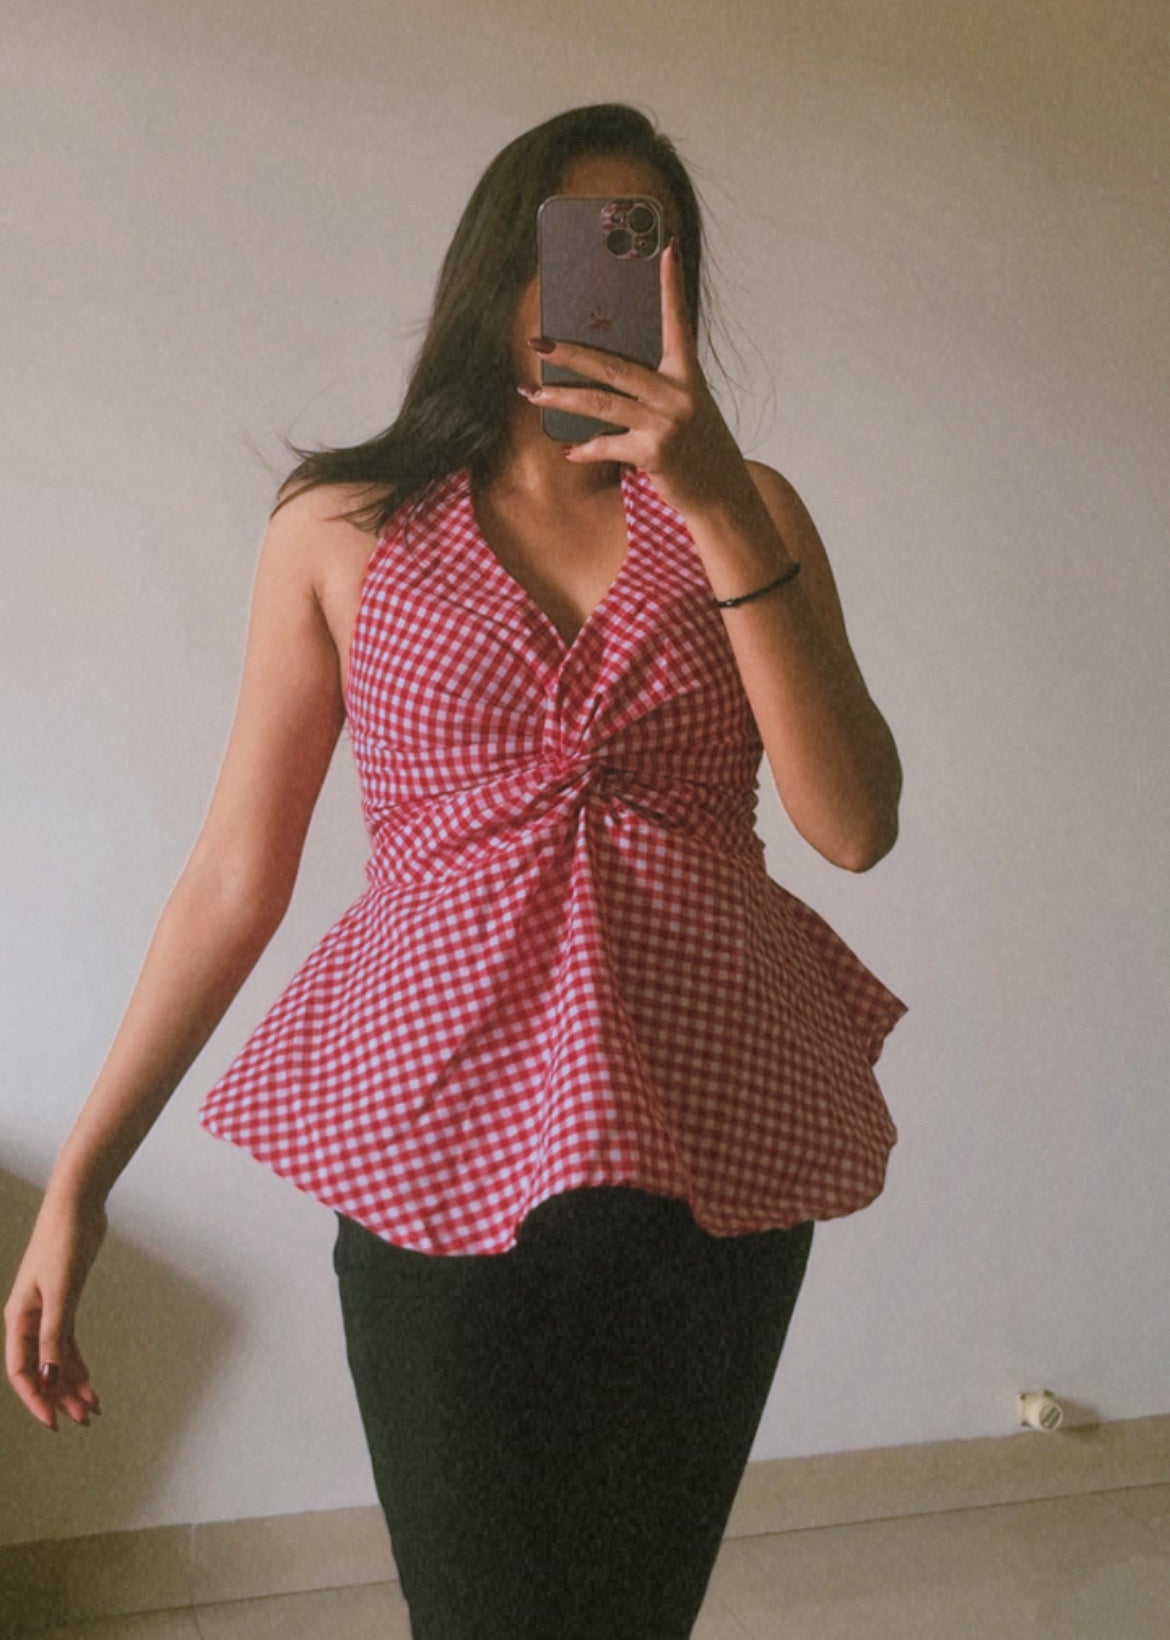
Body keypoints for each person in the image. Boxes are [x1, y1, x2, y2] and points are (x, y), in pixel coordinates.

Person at [4, 102, 908, 1639]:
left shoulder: (752, 512)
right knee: (478, 1611)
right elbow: (234, 876)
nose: (605, 281)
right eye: (576, 242)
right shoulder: (342, 523)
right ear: (496, 268)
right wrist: (82, 1180)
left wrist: (710, 497)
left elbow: (854, 823)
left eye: (643, 247)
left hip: (715, 1131)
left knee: (634, 1614)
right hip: (430, 1135)